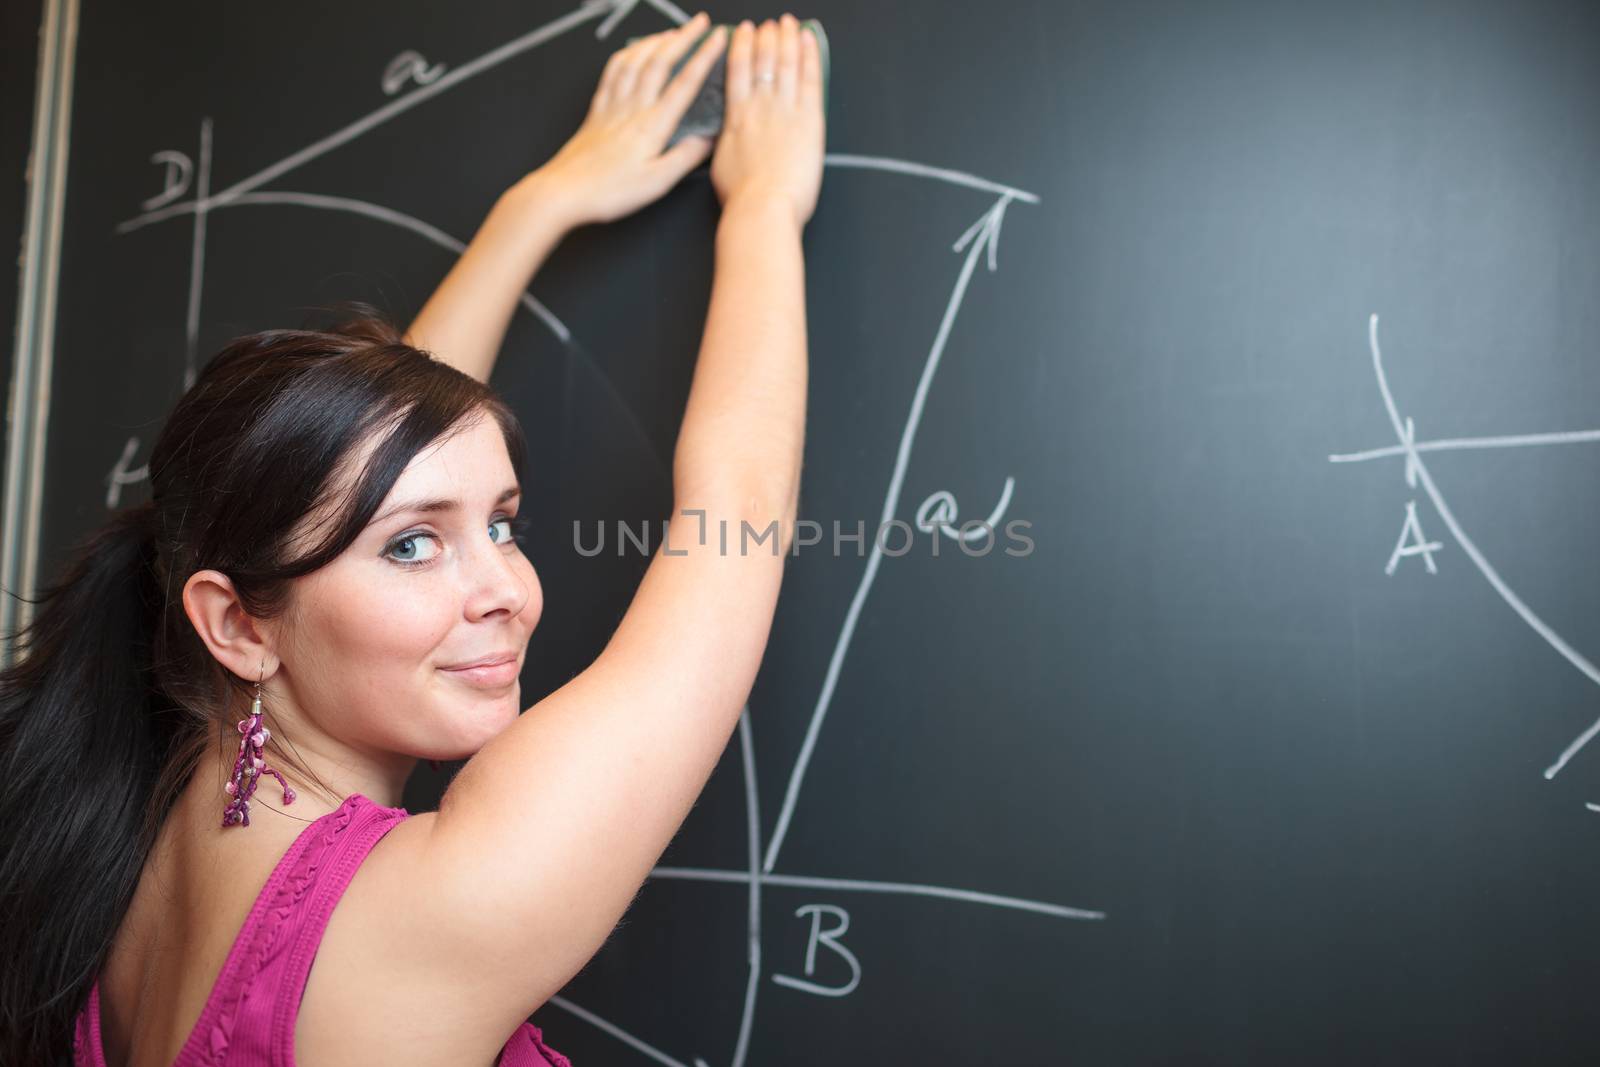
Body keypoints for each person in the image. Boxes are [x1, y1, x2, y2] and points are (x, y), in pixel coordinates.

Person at [0, 12, 824, 1065]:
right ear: (235, 622)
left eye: (502, 523)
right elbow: (733, 523)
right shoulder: (439, 909)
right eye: (411, 548)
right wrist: (763, 205)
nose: (508, 592)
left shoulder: (145, 823)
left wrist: (544, 201)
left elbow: (357, 470)